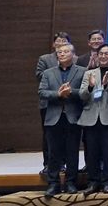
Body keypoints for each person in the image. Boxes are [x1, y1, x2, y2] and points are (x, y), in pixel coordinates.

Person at [38, 43, 84, 197]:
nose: (62, 54)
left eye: (65, 51)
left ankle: (71, 182)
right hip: (53, 118)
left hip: (73, 117)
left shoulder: (82, 71)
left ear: (73, 54)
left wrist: (71, 92)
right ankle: (53, 183)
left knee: (72, 151)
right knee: (53, 152)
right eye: (59, 52)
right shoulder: (48, 73)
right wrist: (58, 94)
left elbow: (85, 92)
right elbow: (42, 92)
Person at [78, 43, 108, 195]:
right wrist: (90, 87)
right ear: (97, 56)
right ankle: (93, 182)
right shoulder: (88, 73)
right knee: (91, 152)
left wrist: (107, 85)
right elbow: (82, 95)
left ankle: (107, 182)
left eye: (107, 54)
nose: (104, 56)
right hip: (90, 117)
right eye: (101, 54)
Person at [35, 31, 72, 175]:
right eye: (58, 41)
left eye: (64, 41)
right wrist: (56, 71)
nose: (61, 44)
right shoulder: (45, 59)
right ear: (53, 44)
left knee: (66, 135)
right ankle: (48, 164)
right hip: (49, 103)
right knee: (48, 136)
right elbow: (39, 75)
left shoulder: (73, 58)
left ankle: (63, 163)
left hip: (68, 104)